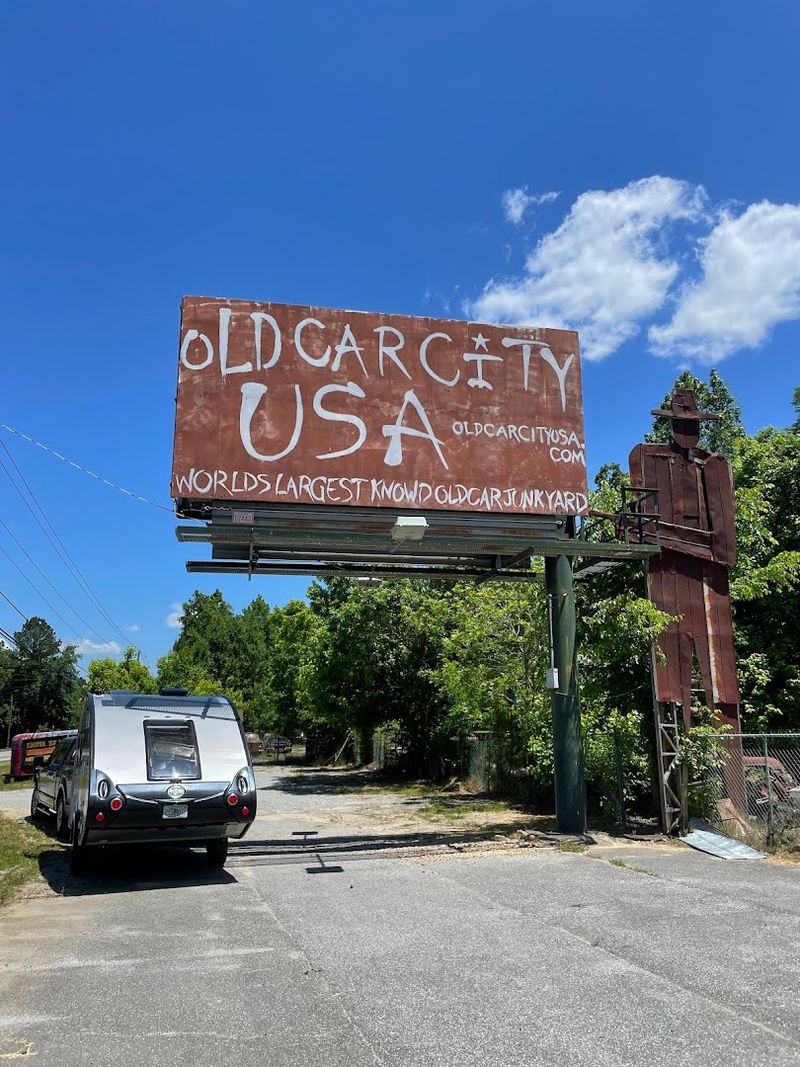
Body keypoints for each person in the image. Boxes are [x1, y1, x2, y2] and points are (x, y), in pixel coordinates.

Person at [629, 389, 741, 734]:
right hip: (666, 576)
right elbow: (639, 529)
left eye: (692, 424)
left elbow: (724, 550)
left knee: (721, 684)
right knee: (670, 685)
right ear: (671, 423)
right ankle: (681, 761)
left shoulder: (714, 466)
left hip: (708, 584)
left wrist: (664, 536)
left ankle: (732, 782)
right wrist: (645, 532)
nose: (687, 431)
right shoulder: (647, 458)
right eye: (681, 423)